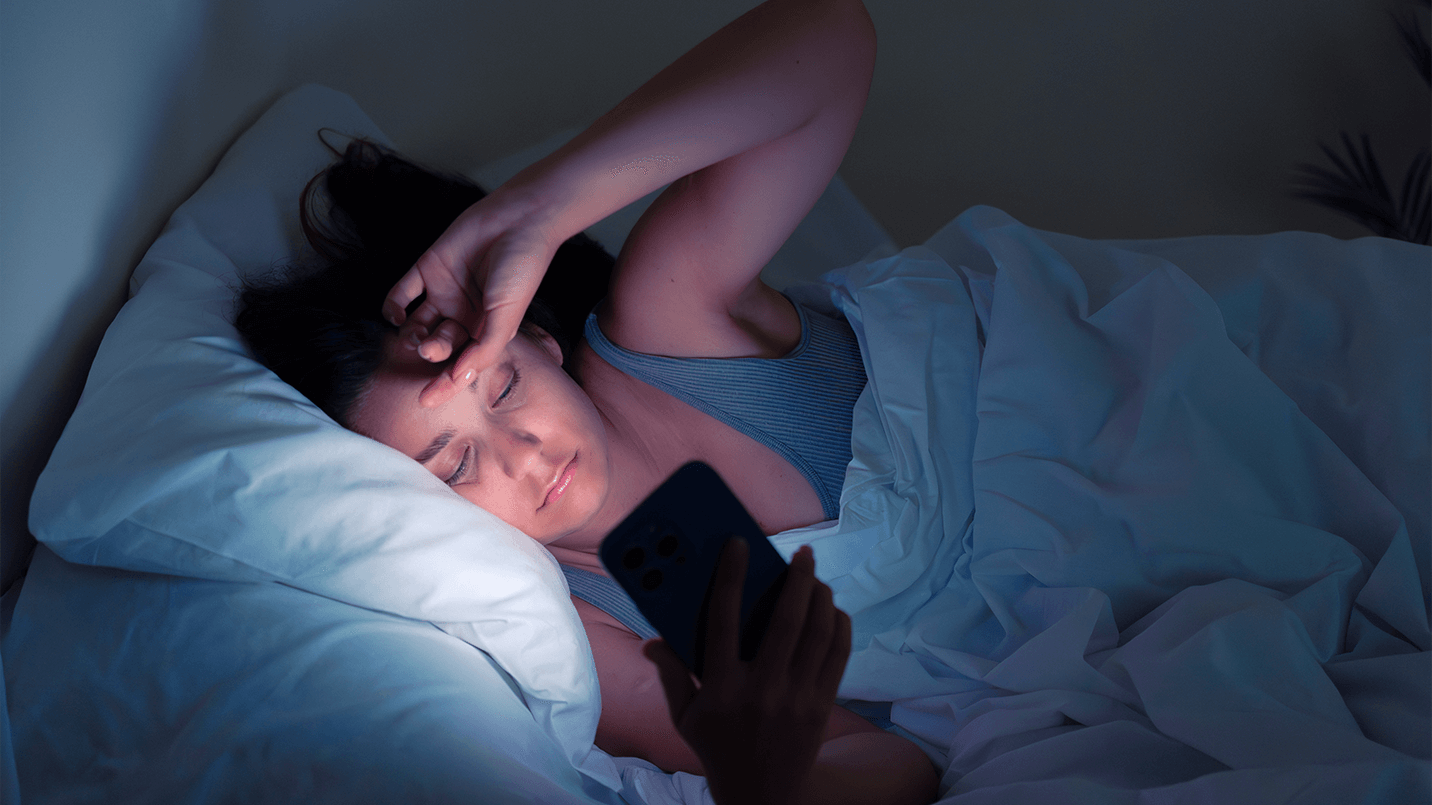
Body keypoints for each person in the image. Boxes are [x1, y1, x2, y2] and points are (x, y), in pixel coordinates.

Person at [239, 1, 939, 802]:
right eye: (458, 463)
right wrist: (762, 782)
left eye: (502, 386)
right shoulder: (582, 634)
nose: (527, 453)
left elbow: (834, 36)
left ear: (535, 337)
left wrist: (534, 213)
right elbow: (896, 768)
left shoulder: (663, 321)